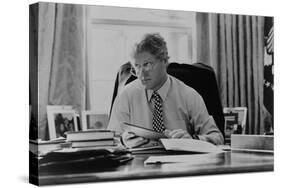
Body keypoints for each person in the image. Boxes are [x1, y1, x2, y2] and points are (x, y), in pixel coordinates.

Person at [107, 33, 224, 148]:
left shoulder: (189, 95)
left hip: (180, 164)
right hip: (139, 164)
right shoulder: (126, 95)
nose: (141, 74)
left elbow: (217, 138)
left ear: (164, 61)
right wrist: (123, 140)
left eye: (147, 64)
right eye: (137, 66)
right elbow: (110, 141)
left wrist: (192, 140)